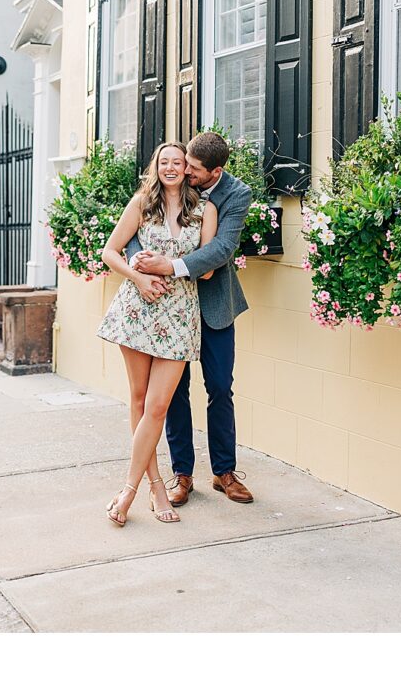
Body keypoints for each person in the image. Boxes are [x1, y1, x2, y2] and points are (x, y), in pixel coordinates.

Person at [129, 127, 254, 506]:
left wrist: (168, 266)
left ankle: (224, 472)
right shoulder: (171, 182)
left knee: (219, 387)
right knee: (172, 395)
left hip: (214, 306)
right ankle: (181, 473)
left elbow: (221, 250)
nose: (185, 172)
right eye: (183, 164)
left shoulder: (236, 194)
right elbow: (139, 226)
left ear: (213, 173)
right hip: (169, 307)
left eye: (194, 169)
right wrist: (142, 262)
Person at [97, 140, 217, 525]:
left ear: (187, 168)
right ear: (156, 166)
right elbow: (110, 251)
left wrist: (166, 265)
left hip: (180, 314)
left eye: (177, 162)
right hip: (137, 309)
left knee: (159, 405)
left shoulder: (204, 210)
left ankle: (127, 491)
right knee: (137, 400)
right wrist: (138, 276)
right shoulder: (141, 204)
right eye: (163, 161)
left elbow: (209, 267)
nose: (169, 167)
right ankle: (154, 488)